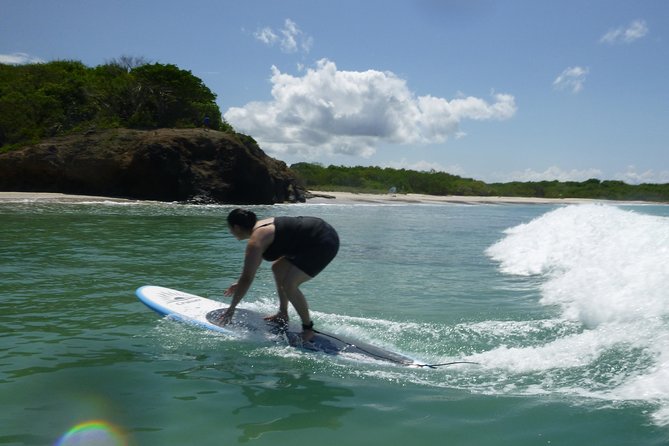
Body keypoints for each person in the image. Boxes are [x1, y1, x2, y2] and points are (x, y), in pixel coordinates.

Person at [216, 208, 339, 342]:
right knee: (278, 268)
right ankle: (283, 313)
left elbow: (247, 278)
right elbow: (249, 273)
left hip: (323, 242)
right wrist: (240, 283)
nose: (230, 232)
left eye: (230, 228)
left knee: (289, 284)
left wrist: (231, 309)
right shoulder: (259, 229)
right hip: (315, 236)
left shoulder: (256, 241)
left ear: (237, 227)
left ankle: (308, 329)